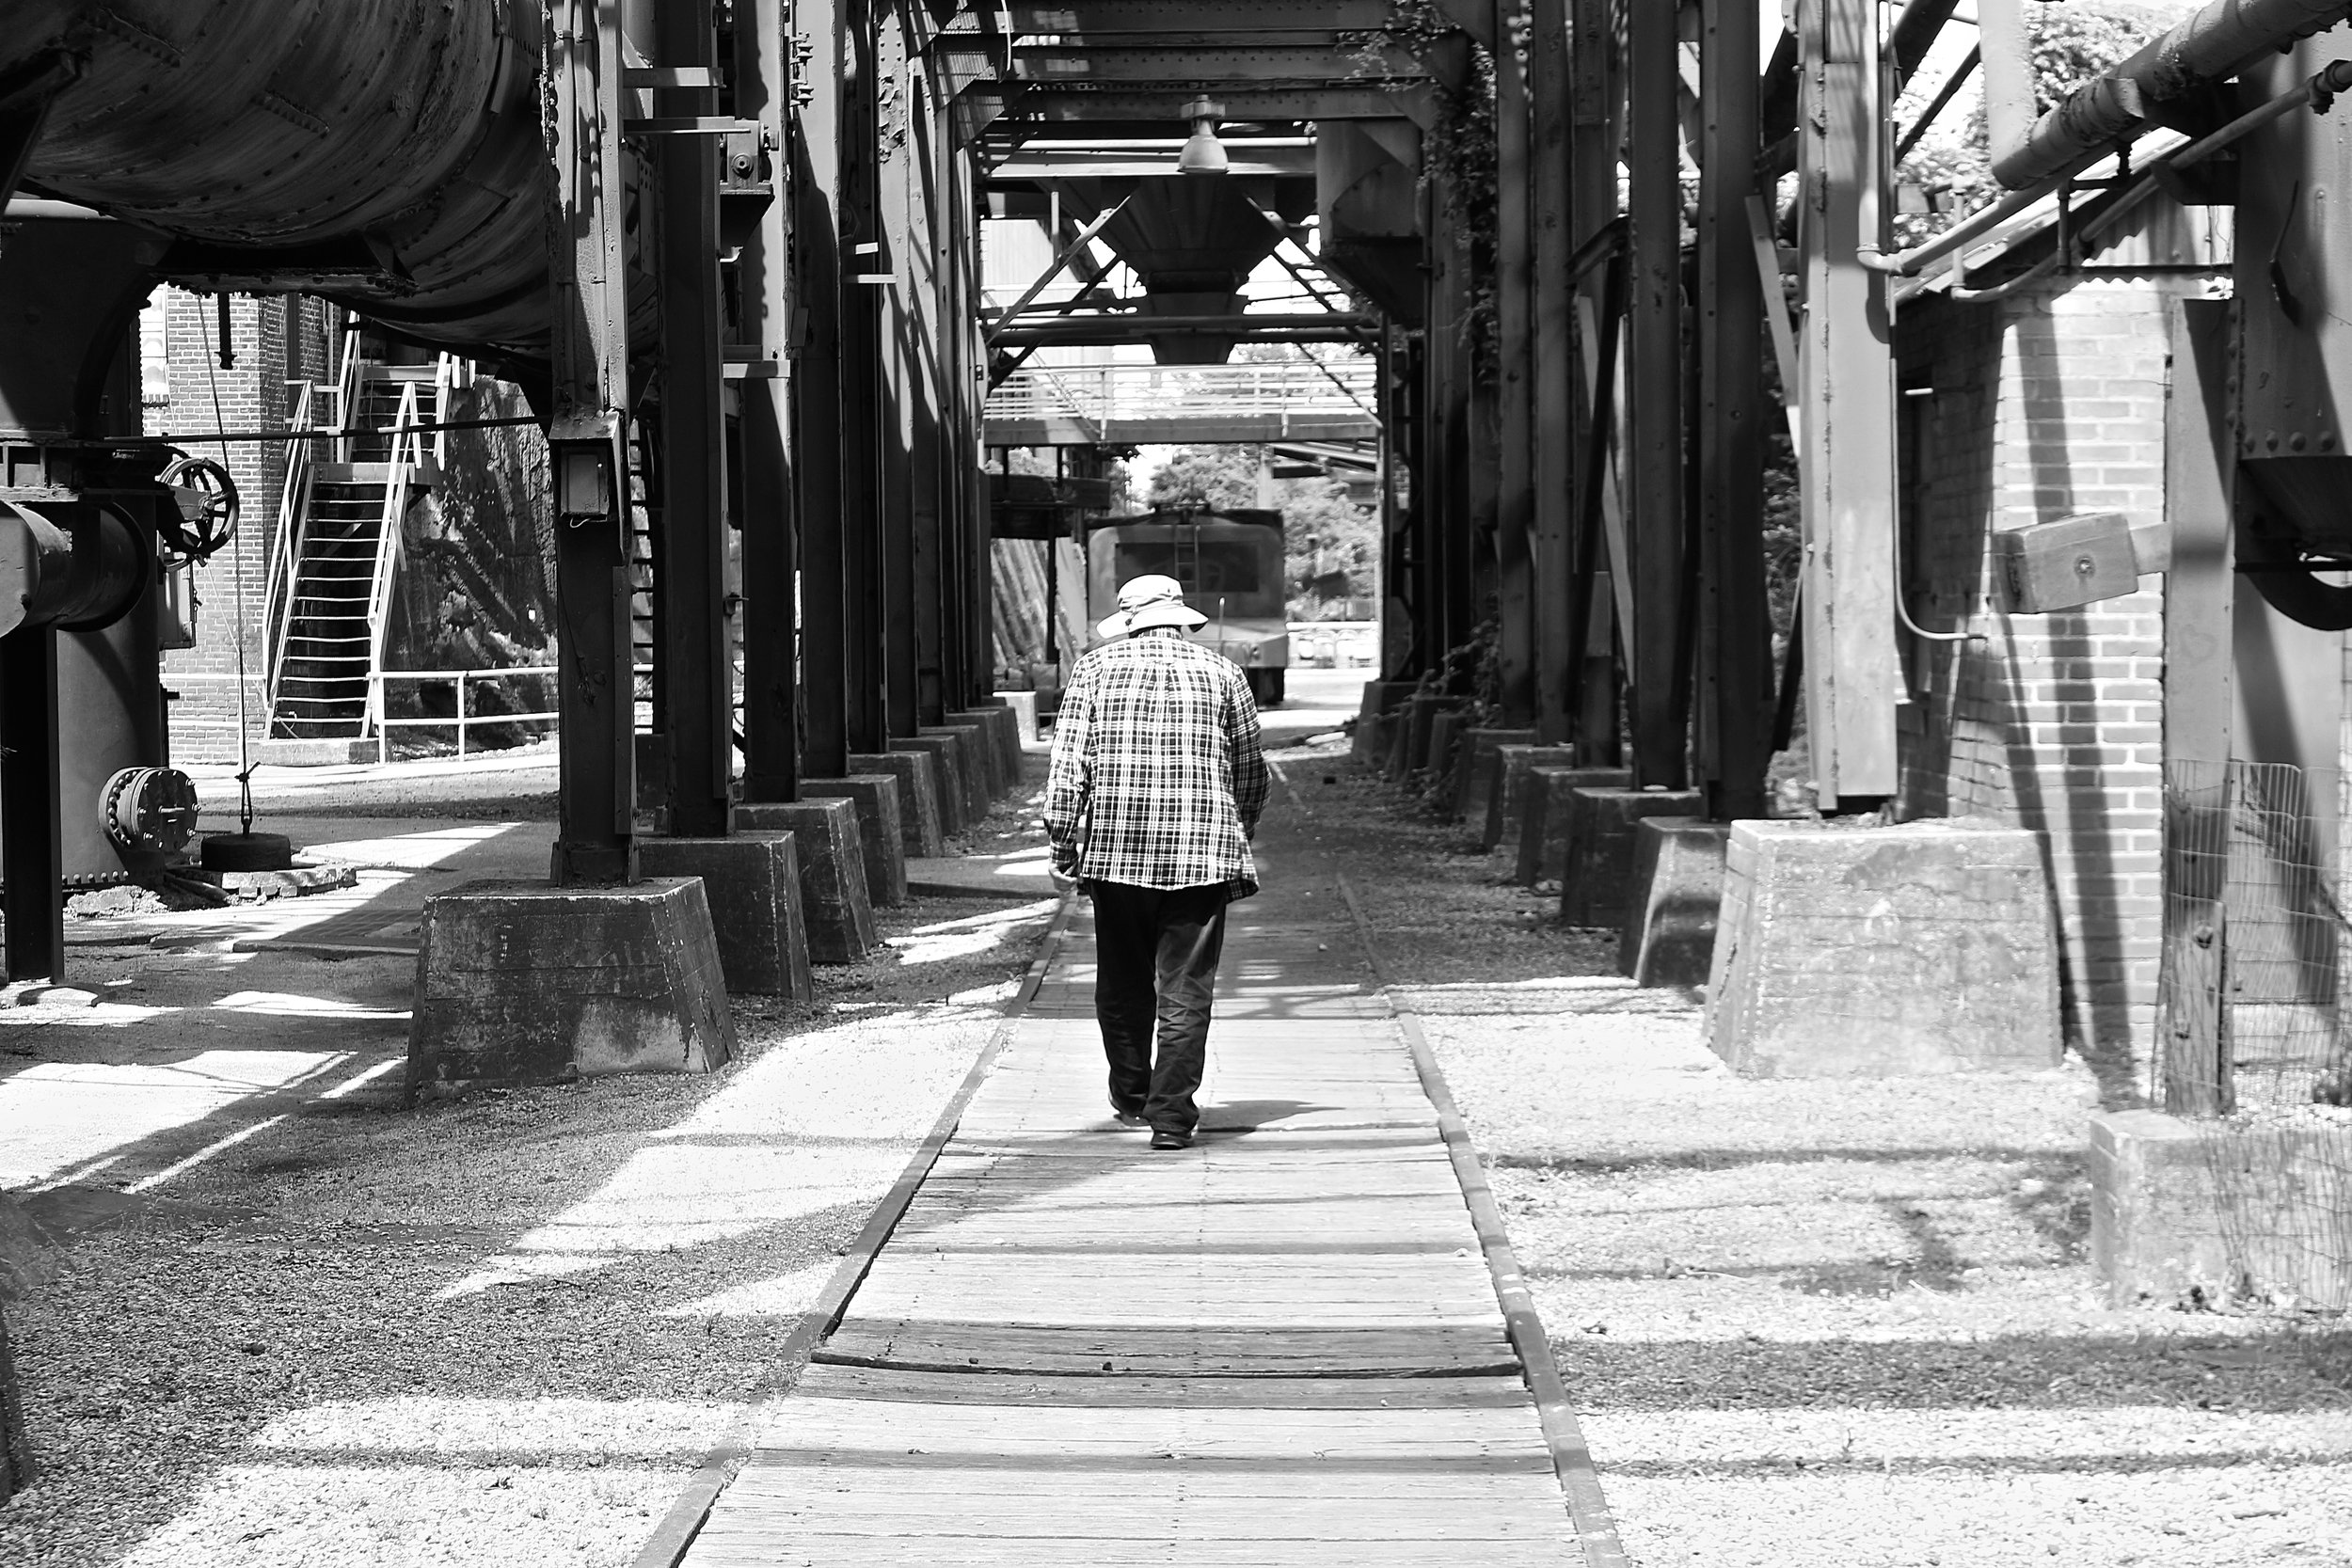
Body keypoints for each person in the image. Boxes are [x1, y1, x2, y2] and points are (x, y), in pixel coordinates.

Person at [1043, 573, 1268, 1151]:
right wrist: (1232, 831)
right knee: (1187, 986)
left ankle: (1133, 1096)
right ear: (1179, 618)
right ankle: (1172, 1118)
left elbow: (1068, 772)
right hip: (1204, 854)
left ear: (1129, 620)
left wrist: (1064, 847)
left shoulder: (1093, 672)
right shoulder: (1225, 674)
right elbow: (1251, 774)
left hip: (1116, 853)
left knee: (1122, 983)